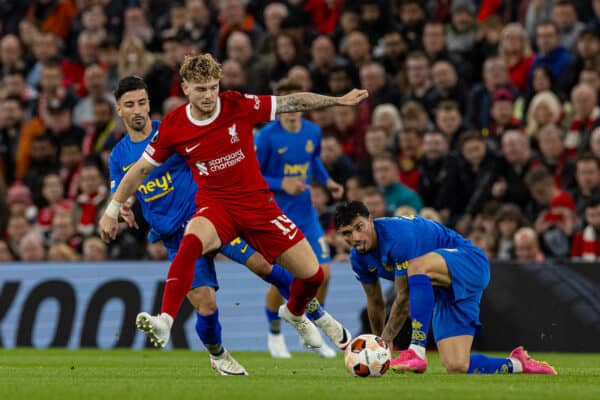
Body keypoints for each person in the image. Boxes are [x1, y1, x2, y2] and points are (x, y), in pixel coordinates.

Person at [99, 54, 365, 355]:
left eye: (213, 87)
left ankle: (295, 312)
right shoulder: (173, 127)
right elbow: (139, 171)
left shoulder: (237, 104)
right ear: (185, 88)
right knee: (191, 243)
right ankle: (166, 320)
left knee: (313, 275)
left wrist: (338, 101)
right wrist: (113, 208)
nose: (209, 95)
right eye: (201, 89)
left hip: (257, 206)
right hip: (215, 207)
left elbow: (290, 102)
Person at [333, 200, 557, 375]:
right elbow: (375, 303)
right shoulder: (358, 259)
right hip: (442, 289)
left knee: (416, 267)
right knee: (457, 365)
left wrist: (386, 340)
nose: (355, 237)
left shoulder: (397, 237)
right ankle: (517, 363)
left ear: (371, 220)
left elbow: (405, 296)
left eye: (359, 227)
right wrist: (378, 342)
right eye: (347, 233)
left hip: (470, 262)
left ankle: (416, 350)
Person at [254, 78, 345, 358]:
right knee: (286, 278)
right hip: (277, 215)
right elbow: (254, 178)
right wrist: (283, 184)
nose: (292, 109)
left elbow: (313, 160)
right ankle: (274, 333)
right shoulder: (267, 137)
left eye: (296, 102)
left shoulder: (313, 132)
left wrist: (328, 181)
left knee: (324, 274)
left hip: (306, 214)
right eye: (286, 103)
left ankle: (312, 325)